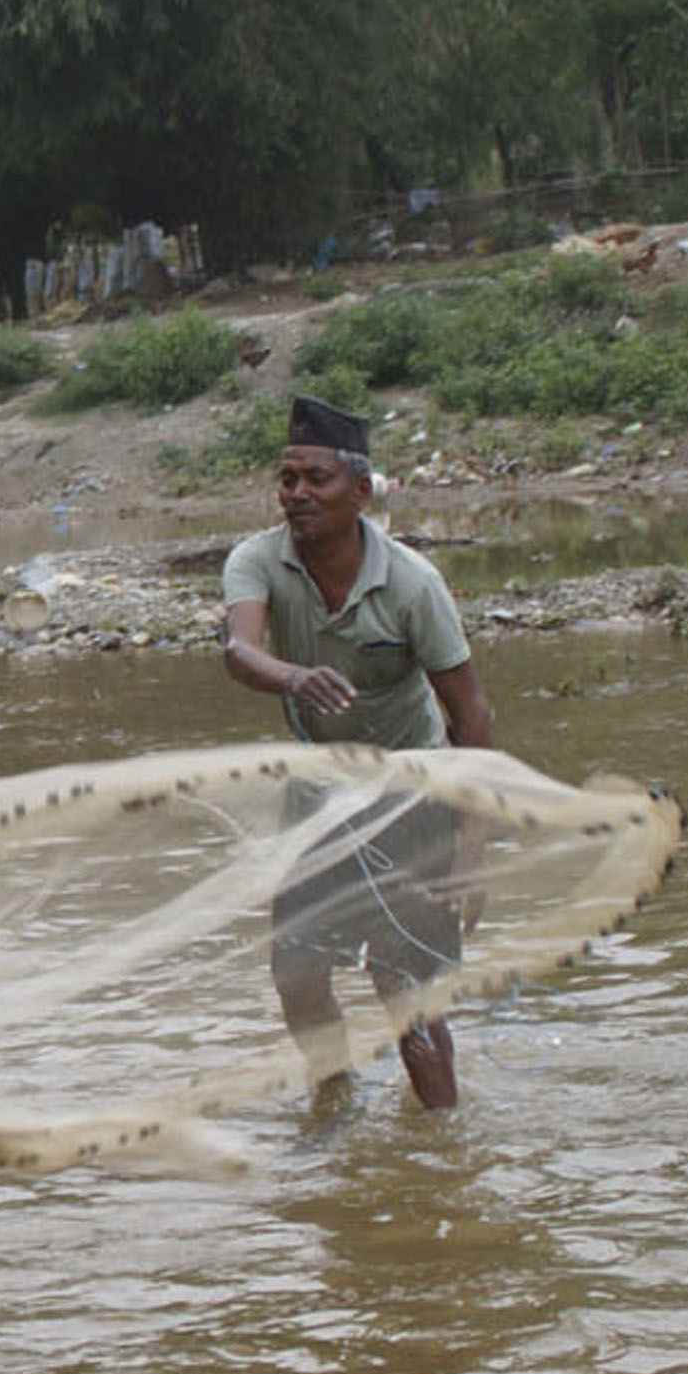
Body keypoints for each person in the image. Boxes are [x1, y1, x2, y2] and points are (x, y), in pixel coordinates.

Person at [219, 394, 498, 1109]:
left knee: (404, 988)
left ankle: (442, 1144)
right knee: (298, 972)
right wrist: (294, 676)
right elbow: (241, 653)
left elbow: (470, 713)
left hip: (416, 797)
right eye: (288, 480)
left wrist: (471, 851)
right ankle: (333, 1102)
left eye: (318, 480)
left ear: (363, 493)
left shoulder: (412, 584)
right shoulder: (257, 560)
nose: (298, 495)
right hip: (321, 797)